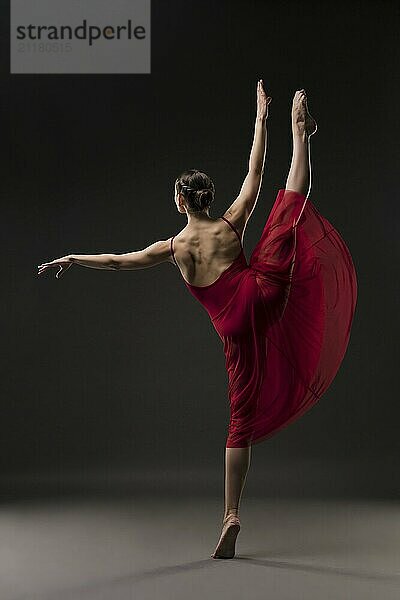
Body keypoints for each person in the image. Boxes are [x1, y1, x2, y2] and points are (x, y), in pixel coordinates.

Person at [37, 82, 358, 560]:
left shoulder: (174, 248)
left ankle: (230, 514)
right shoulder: (230, 222)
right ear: (206, 198)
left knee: (239, 420)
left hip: (233, 326)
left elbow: (120, 262)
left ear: (182, 202)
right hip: (264, 292)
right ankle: (302, 136)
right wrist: (260, 118)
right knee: (288, 210)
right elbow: (255, 170)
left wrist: (74, 258)